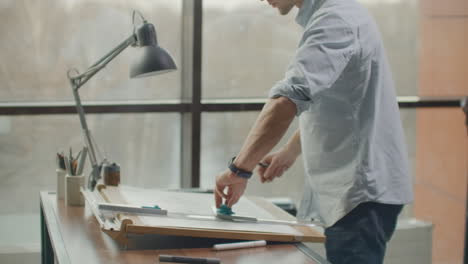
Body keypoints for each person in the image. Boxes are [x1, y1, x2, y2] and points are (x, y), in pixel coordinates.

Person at [214, 0, 413, 263]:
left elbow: (287, 100)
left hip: (360, 194)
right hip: (359, 191)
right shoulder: (335, 14)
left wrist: (239, 170)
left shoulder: (335, 20)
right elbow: (335, 100)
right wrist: (291, 151)